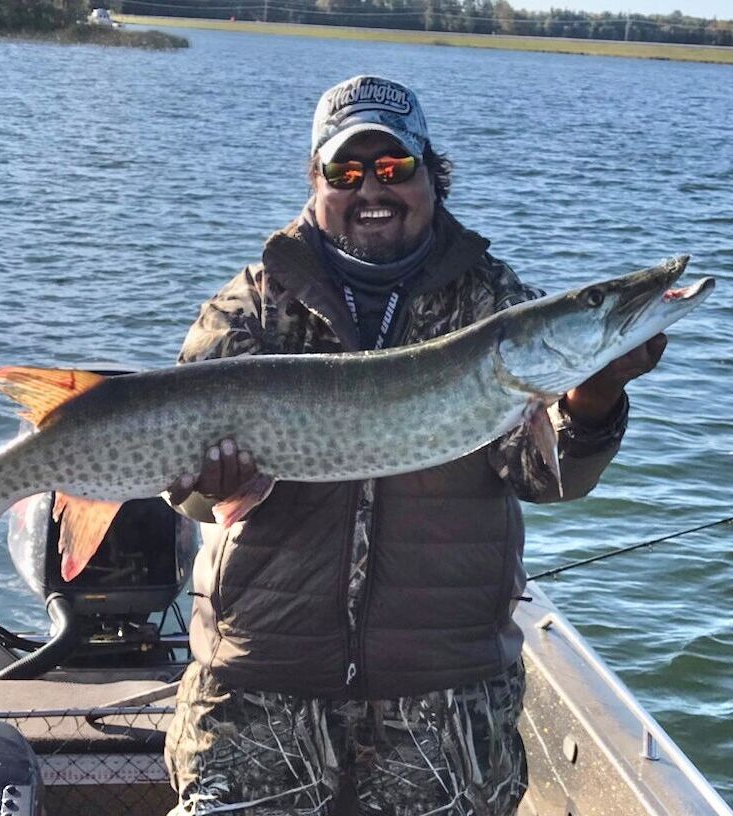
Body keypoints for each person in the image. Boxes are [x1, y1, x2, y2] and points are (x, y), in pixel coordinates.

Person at [163, 75, 667, 816]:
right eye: (347, 170)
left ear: (434, 175)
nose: (373, 187)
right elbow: (189, 487)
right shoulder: (256, 300)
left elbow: (542, 473)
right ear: (318, 181)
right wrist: (210, 479)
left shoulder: (490, 301)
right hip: (259, 680)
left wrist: (593, 398)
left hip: (448, 692)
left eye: (395, 168)